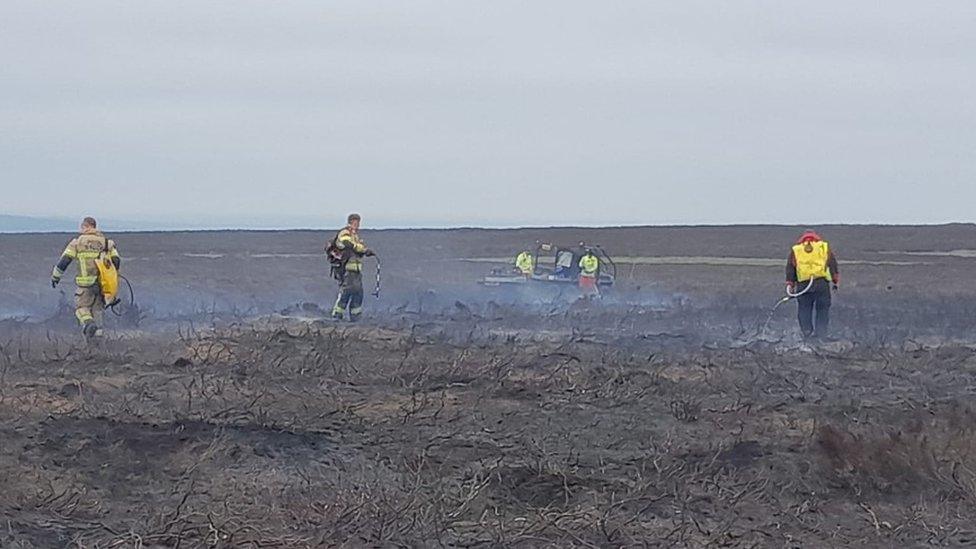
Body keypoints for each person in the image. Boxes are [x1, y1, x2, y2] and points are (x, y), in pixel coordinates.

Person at [51, 217, 121, 339]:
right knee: (98, 312)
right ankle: (98, 343)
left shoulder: (77, 243)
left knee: (81, 309)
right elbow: (116, 261)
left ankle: (88, 324)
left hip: (85, 286)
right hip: (101, 285)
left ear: (86, 226)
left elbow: (64, 261)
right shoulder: (106, 243)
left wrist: (55, 277)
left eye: (82, 227)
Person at [786, 229, 840, 339]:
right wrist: (835, 280)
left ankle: (807, 333)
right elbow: (832, 264)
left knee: (804, 309)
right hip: (822, 284)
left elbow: (791, 268)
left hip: (803, 285)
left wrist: (790, 284)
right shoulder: (824, 247)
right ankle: (821, 335)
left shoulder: (796, 250)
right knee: (822, 309)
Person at [330, 213, 374, 321]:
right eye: (355, 222)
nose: (357, 224)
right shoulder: (345, 233)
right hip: (347, 270)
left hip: (356, 271)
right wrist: (362, 249)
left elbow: (356, 248)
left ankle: (355, 317)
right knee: (347, 292)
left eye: (358, 222)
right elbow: (347, 243)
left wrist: (365, 252)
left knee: (358, 293)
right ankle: (337, 315)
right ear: (350, 222)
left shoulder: (355, 236)